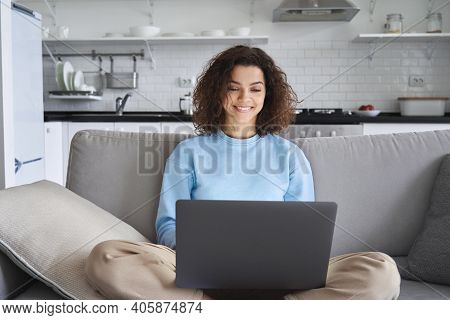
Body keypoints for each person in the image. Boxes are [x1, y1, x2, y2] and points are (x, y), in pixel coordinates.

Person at [85, 45, 400, 300]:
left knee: (381, 270)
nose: (244, 99)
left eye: (255, 89)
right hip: (199, 274)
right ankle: (208, 307)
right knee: (106, 257)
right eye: (233, 88)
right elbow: (167, 226)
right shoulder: (189, 153)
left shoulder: (290, 156)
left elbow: (305, 233)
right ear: (217, 93)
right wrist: (200, 252)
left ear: (267, 95)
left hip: (279, 275)